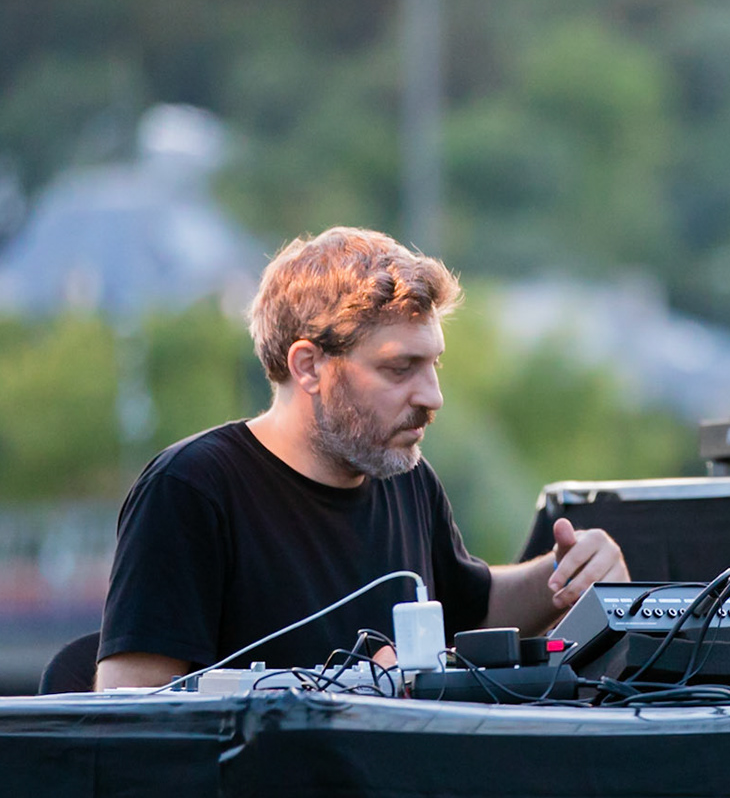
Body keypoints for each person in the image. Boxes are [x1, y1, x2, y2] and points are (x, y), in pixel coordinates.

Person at [95, 227, 627, 689]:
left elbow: (474, 609)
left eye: (434, 364)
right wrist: (348, 694)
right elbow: (130, 710)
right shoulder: (191, 488)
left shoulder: (407, 477)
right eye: (401, 368)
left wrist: (566, 575)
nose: (432, 396)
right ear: (308, 367)